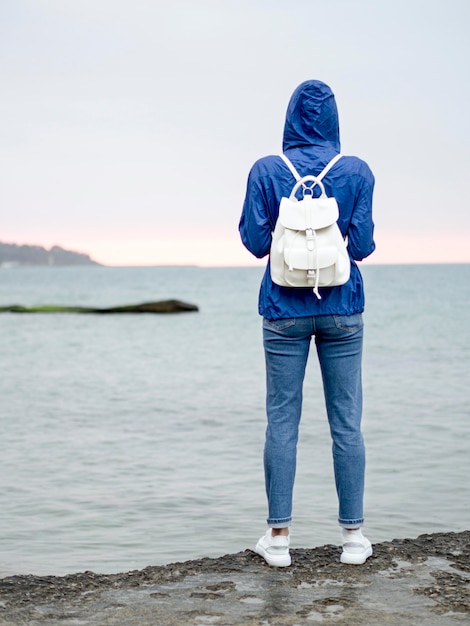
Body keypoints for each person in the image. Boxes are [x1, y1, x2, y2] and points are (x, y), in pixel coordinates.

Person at [239, 80, 375, 567]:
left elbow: (255, 242)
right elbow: (360, 248)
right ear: (335, 119)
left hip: (282, 310)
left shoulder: (267, 170)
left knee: (281, 421)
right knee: (346, 423)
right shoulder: (356, 171)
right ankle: (354, 540)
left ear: (290, 117)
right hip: (343, 309)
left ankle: (278, 539)